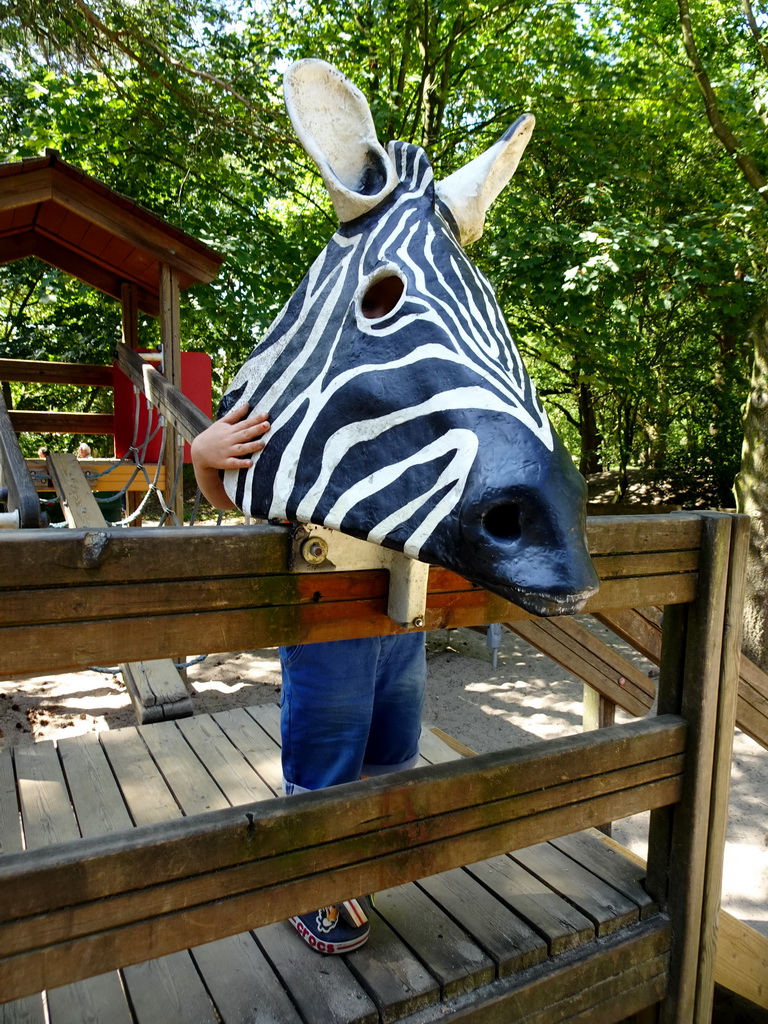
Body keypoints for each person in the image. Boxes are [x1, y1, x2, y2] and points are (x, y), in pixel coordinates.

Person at [191, 404, 427, 954]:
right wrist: (203, 461)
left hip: (402, 611)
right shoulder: (311, 403)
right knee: (325, 753)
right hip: (324, 619)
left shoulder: (407, 409)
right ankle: (311, 881)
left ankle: (351, 861)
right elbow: (240, 489)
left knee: (391, 750)